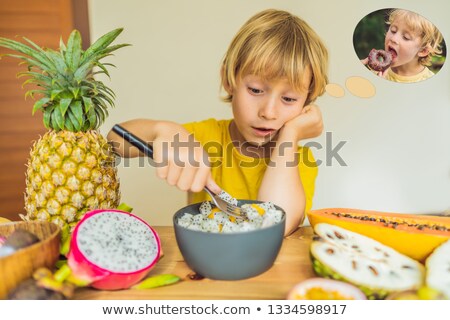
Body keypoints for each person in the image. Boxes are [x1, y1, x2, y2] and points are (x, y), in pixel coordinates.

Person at [108, 9, 328, 235]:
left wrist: (290, 134)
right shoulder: (204, 137)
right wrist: (161, 130)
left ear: (306, 104)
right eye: (255, 90)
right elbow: (114, 140)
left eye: (289, 99)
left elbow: (276, 225)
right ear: (228, 80)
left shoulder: (299, 159)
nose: (269, 112)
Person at [363, 8, 444, 82]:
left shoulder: (430, 82)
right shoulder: (376, 73)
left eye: (406, 37)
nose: (394, 39)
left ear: (423, 50)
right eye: (393, 31)